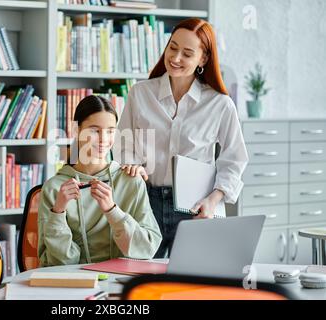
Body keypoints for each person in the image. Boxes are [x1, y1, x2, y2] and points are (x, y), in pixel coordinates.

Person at [113, 18, 249, 258]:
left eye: (187, 53)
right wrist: (132, 165)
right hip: (145, 201)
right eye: (172, 47)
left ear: (203, 59)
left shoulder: (219, 104)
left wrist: (214, 199)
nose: (175, 58)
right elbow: (124, 143)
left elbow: (235, 159)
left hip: (195, 207)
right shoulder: (140, 93)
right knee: (139, 282)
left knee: (190, 286)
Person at [38, 95, 162, 266]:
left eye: (110, 131)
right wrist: (58, 212)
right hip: (74, 284)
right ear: (76, 130)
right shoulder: (54, 189)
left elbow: (147, 249)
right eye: (95, 130)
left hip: (120, 282)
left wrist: (112, 211)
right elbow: (60, 263)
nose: (104, 139)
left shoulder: (131, 181)